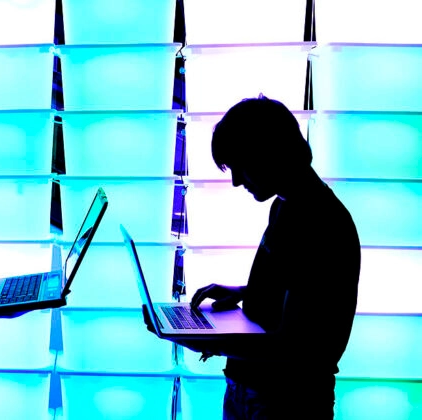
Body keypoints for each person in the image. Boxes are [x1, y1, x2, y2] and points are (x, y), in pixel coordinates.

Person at [144, 95, 360, 419]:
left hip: (286, 401)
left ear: (267, 154)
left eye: (239, 166)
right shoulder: (288, 206)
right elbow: (303, 292)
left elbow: (292, 346)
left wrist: (206, 342)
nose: (235, 181)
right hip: (253, 390)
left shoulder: (321, 223)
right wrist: (245, 292)